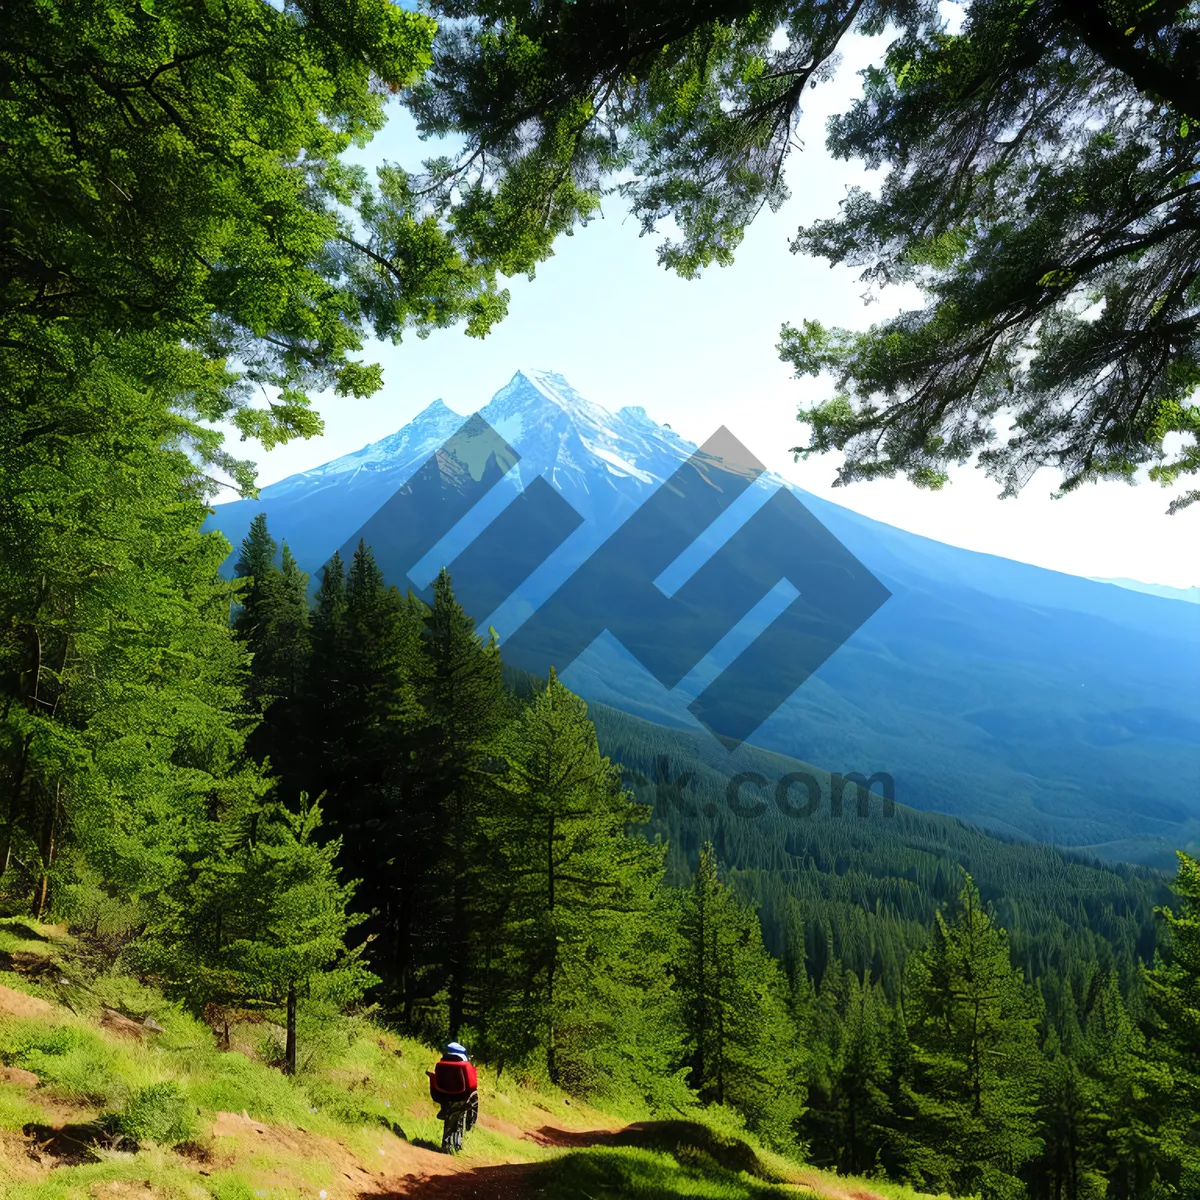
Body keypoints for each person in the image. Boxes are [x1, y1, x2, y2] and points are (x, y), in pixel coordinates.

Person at [428, 1042, 479, 1136]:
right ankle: (469, 1123)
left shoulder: (440, 1064)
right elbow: (472, 1084)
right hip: (461, 1094)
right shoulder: (466, 1065)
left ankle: (444, 1109)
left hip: (442, 1093)